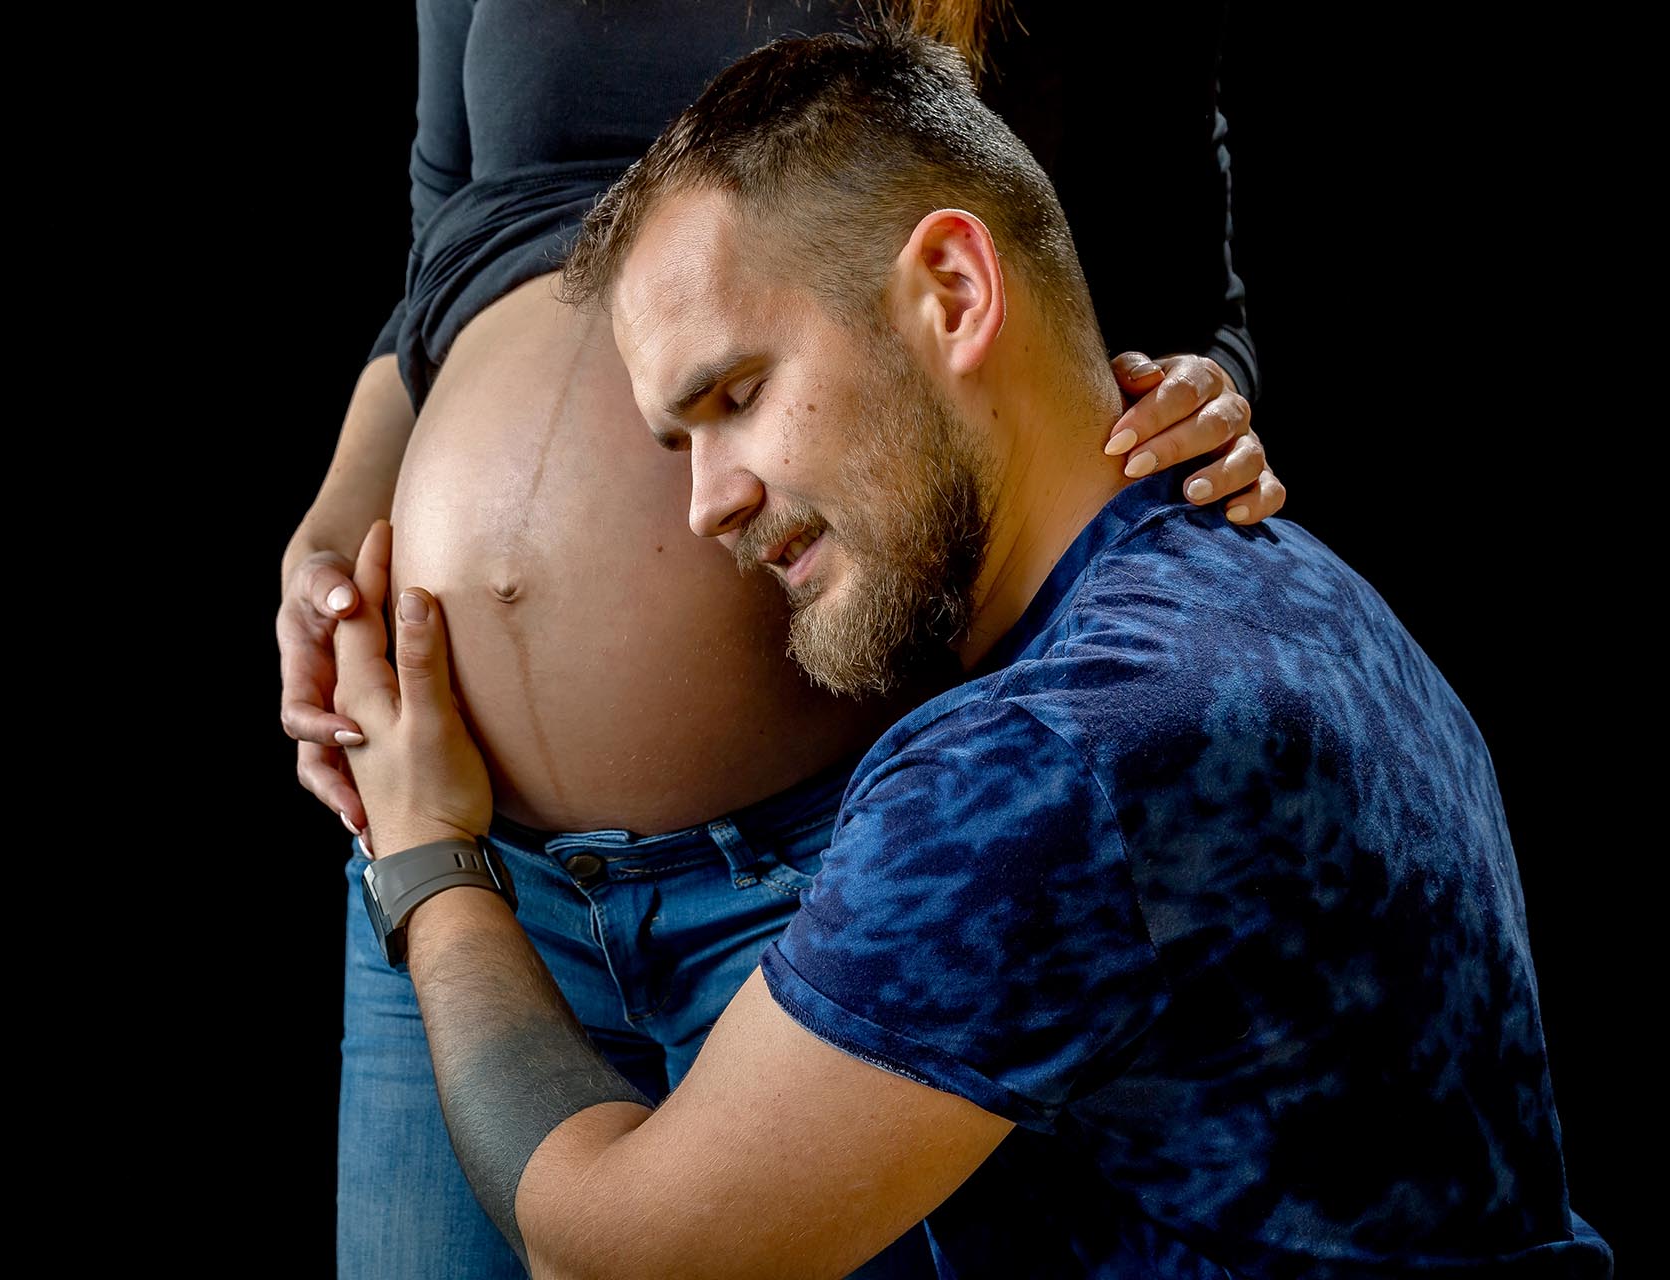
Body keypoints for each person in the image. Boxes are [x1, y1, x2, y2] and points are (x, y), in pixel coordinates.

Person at [326, 27, 1614, 1279]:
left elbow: (616, 1252)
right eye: (681, 439)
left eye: (740, 395)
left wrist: (428, 858)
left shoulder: (1053, 759)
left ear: (954, 291)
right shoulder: (1289, 597)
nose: (707, 507)